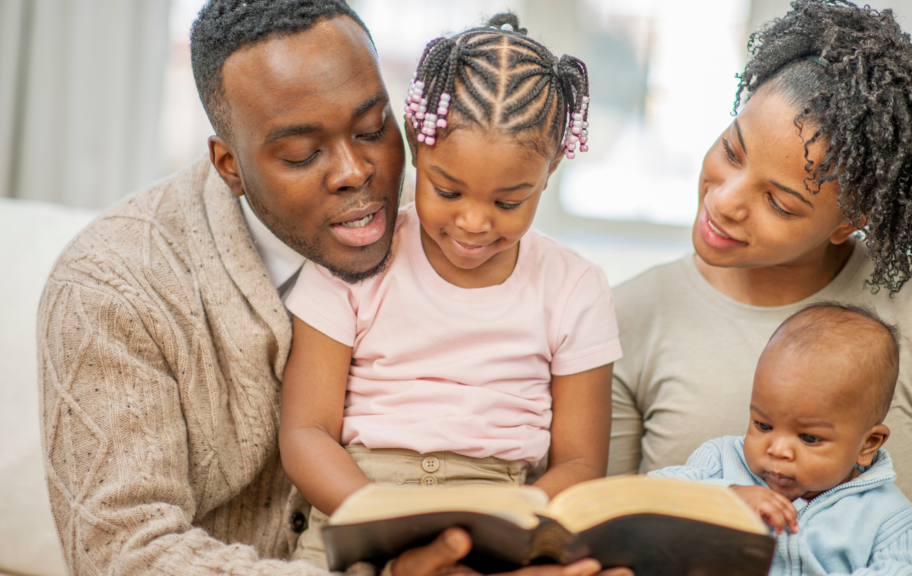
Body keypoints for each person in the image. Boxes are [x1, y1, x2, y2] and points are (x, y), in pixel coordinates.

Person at [36, 2, 626, 575]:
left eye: (373, 128)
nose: (354, 172)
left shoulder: (472, 240)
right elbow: (123, 552)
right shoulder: (112, 289)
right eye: (301, 153)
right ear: (229, 165)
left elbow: (575, 464)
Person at [610, 1, 912, 574]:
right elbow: (605, 530)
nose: (724, 201)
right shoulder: (627, 315)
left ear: (848, 221)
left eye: (779, 202)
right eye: (733, 149)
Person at [280, 13, 620, 569]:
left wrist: (508, 522)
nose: (473, 223)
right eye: (447, 189)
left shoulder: (575, 287)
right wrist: (377, 515)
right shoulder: (356, 258)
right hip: (359, 505)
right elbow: (305, 431)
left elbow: (581, 464)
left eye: (509, 202)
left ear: (552, 169)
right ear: (417, 144)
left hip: (500, 519)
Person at [651, 303, 912, 576]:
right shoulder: (720, 461)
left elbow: (910, 570)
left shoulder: (888, 518)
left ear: (867, 445)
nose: (778, 450)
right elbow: (647, 495)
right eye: (763, 425)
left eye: (809, 438)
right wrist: (726, 496)